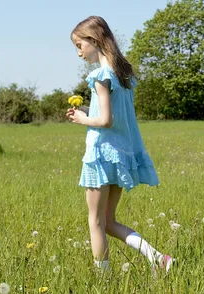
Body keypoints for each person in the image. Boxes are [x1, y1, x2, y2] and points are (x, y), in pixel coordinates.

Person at [66, 16, 174, 274]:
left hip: (101, 155)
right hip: (121, 155)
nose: (79, 52)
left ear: (94, 40)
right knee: (109, 222)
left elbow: (105, 120)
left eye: (80, 45)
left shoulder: (100, 76)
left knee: (95, 221)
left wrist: (82, 119)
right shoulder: (124, 77)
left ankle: (103, 281)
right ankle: (159, 258)